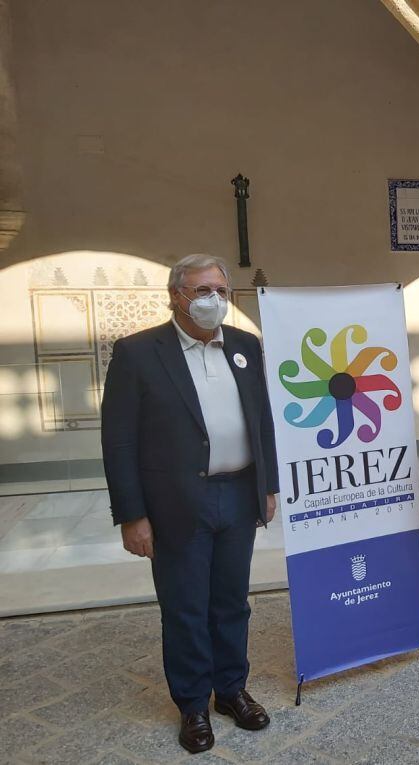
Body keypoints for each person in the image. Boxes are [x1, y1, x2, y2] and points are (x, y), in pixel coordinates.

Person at [101, 254, 278, 753]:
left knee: (230, 602)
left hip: (238, 494)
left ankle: (231, 690)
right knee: (184, 607)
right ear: (176, 296)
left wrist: (267, 487)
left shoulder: (245, 346)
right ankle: (194, 704)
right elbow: (119, 441)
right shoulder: (138, 354)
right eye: (202, 291)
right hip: (177, 501)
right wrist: (133, 515)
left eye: (219, 290)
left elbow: (261, 419)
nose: (213, 300)